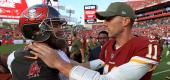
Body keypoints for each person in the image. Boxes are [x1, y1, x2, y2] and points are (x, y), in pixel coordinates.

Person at [28, 2, 161, 80]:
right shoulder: (109, 44)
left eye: (109, 19)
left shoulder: (146, 45)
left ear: (125, 21)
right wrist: (55, 53)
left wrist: (60, 64)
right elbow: (95, 64)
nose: (104, 23)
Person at [7, 4, 69, 80]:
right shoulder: (60, 56)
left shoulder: (13, 57)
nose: (61, 30)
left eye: (60, 25)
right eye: (55, 25)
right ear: (37, 30)